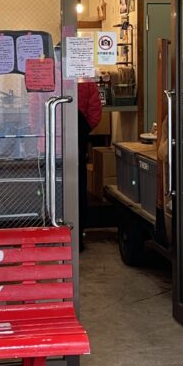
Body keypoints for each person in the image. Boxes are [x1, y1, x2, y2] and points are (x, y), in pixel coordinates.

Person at [76, 79, 103, 251]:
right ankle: (77, 238)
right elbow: (95, 114)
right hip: (77, 144)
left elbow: (35, 111)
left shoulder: (47, 74)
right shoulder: (85, 80)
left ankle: (52, 235)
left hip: (51, 144)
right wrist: (83, 131)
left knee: (52, 189)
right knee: (79, 190)